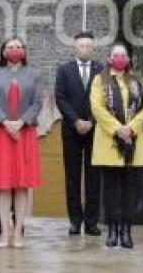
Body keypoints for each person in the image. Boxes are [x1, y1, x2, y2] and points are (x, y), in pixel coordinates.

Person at [0, 37, 42, 249]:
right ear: (3, 51)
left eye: (18, 47)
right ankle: (5, 232)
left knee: (21, 185)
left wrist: (21, 122)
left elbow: (37, 102)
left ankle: (18, 232)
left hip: (25, 132)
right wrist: (6, 122)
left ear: (24, 51)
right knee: (4, 185)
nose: (14, 50)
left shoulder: (34, 74)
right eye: (10, 47)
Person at [89, 44, 143, 249]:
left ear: (128, 58)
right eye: (115, 55)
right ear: (109, 58)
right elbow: (97, 108)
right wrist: (118, 129)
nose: (119, 58)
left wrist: (131, 128)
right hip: (109, 142)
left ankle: (126, 230)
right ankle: (112, 230)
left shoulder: (136, 80)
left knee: (129, 190)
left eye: (123, 55)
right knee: (110, 190)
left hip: (132, 143)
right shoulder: (100, 80)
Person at [54, 31, 102, 236]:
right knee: (72, 177)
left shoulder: (102, 70)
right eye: (81, 45)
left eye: (88, 46)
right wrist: (76, 121)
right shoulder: (64, 70)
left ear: (93, 48)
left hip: (95, 130)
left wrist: (90, 120)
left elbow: (104, 98)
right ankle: (75, 220)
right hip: (71, 130)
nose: (84, 49)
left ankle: (92, 222)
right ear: (74, 48)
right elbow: (60, 97)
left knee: (94, 178)